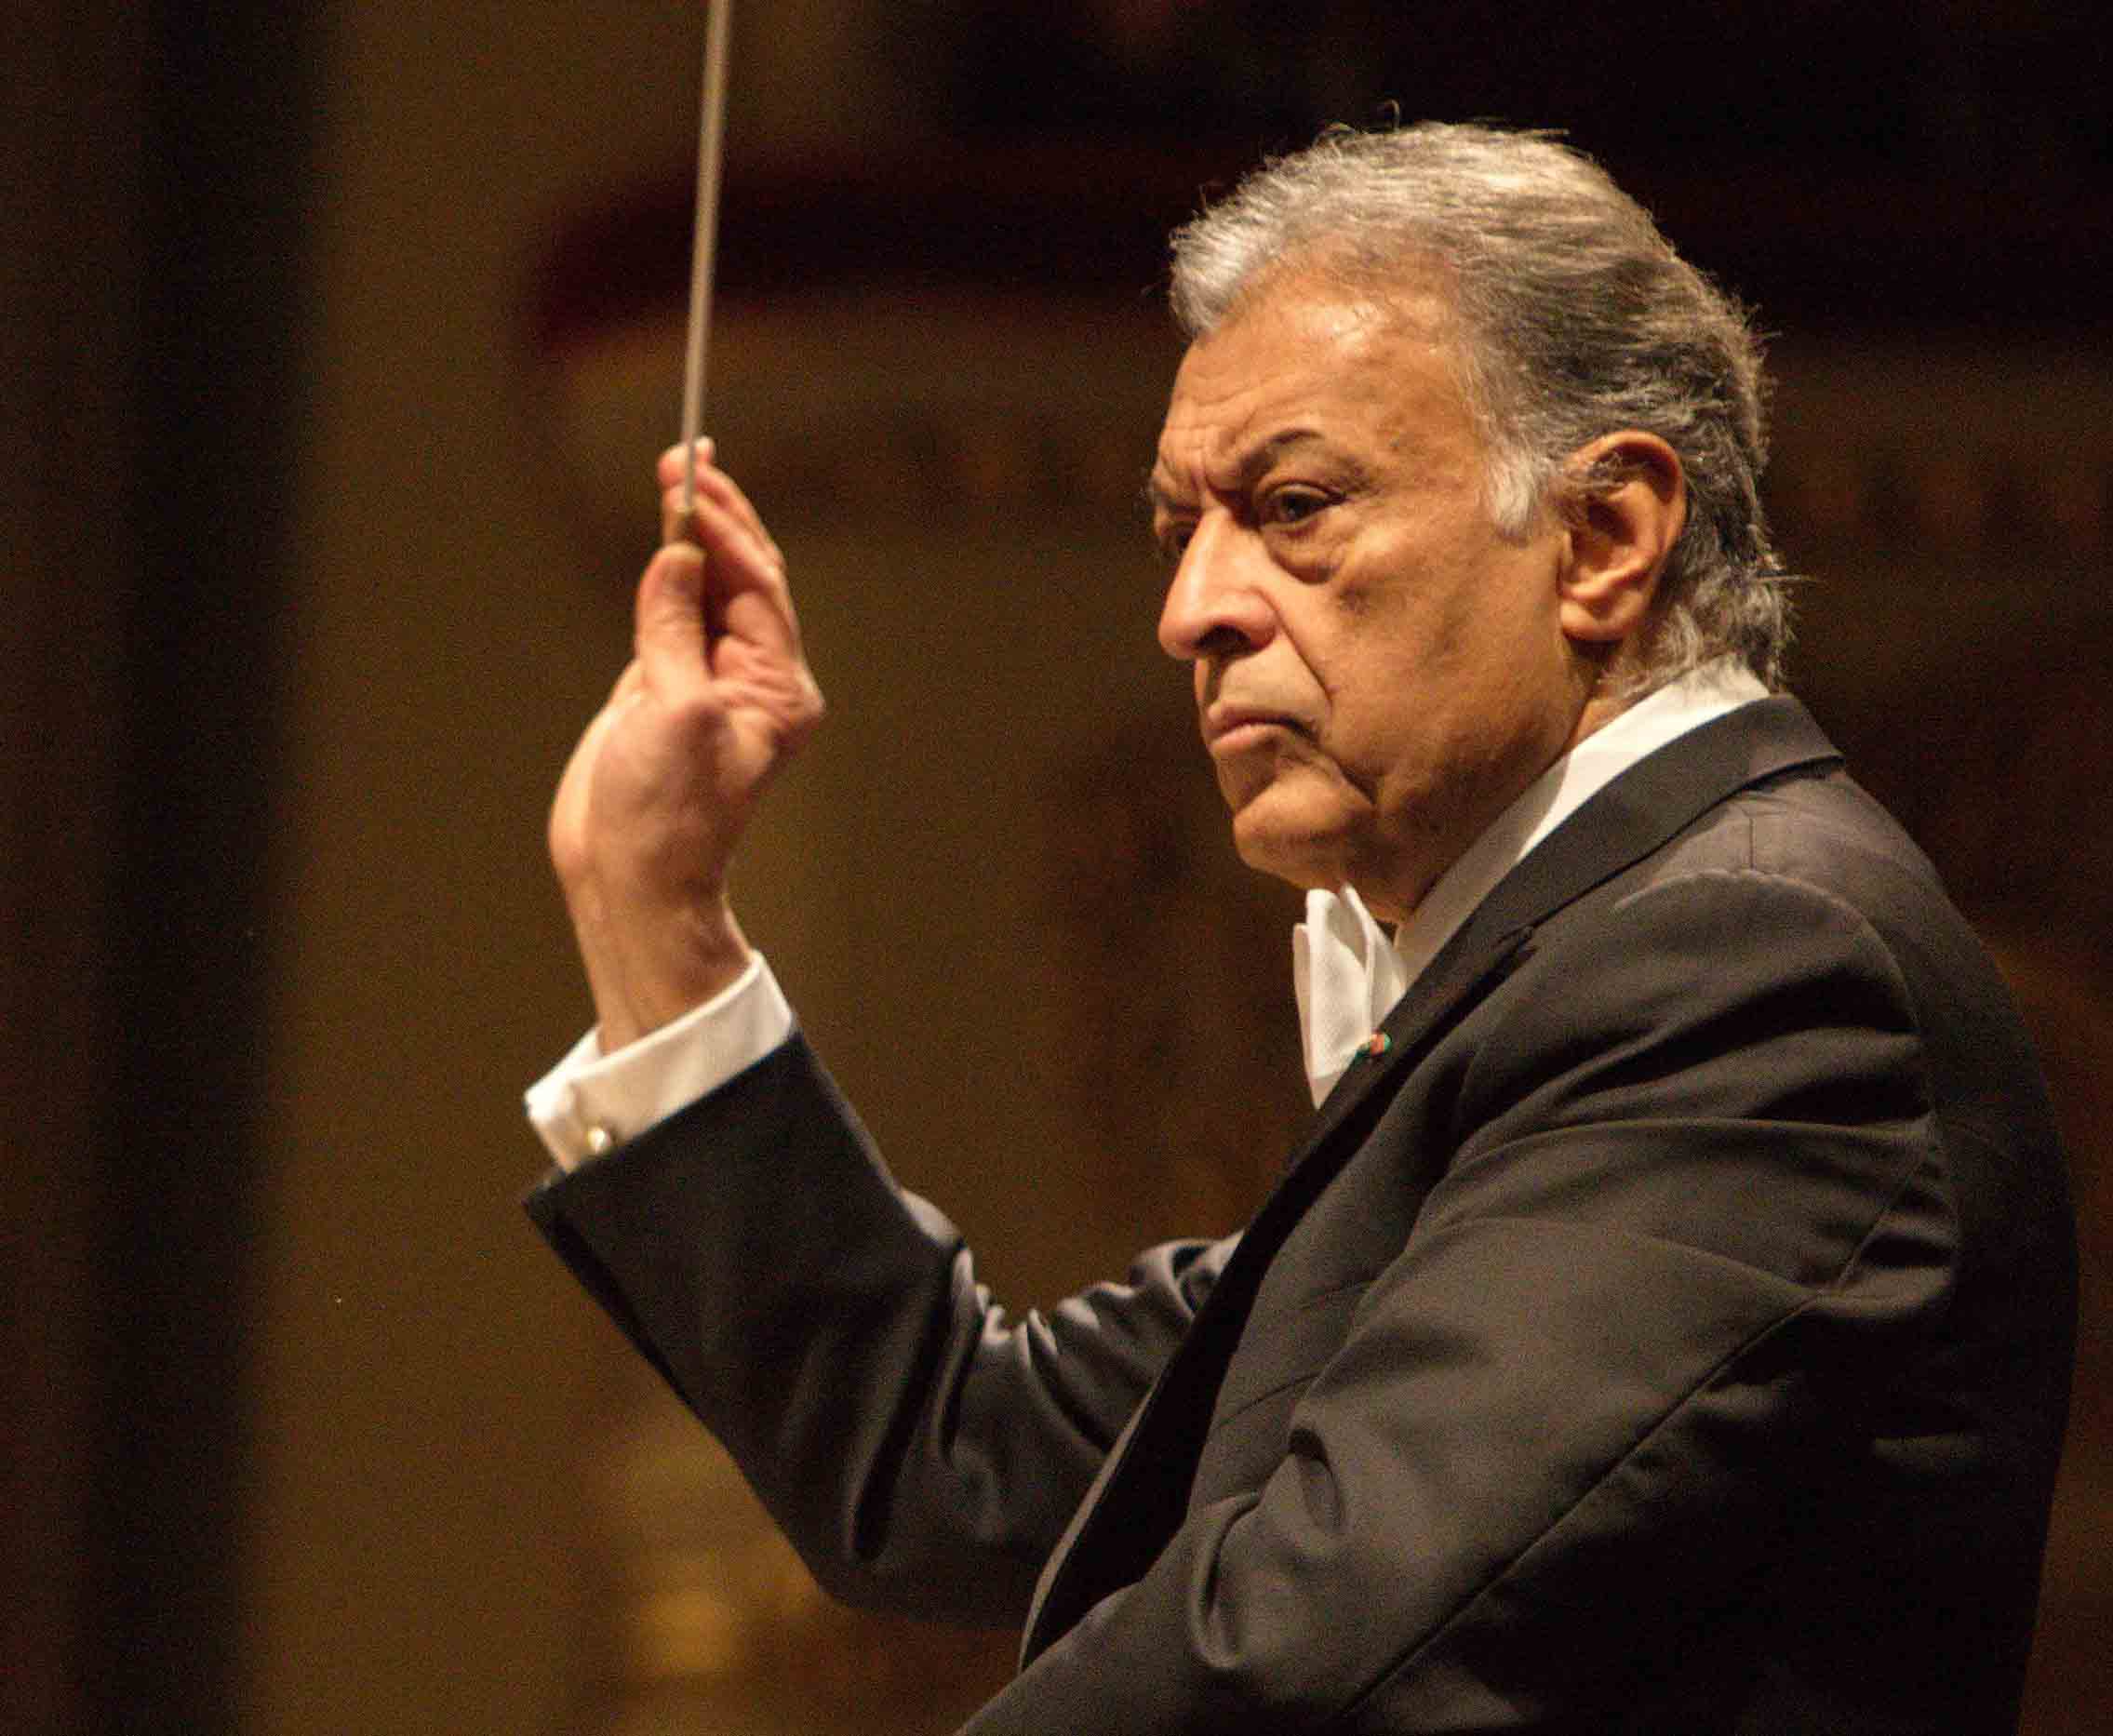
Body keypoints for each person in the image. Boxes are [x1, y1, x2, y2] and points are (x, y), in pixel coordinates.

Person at [522, 123, 2076, 1733]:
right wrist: (656, 907)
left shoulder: (1752, 965)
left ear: (1605, 538)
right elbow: (953, 1463)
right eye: (1180, 529)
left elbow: (1305, 1660)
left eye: (1295, 505)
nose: (1190, 608)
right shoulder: (1599, 968)